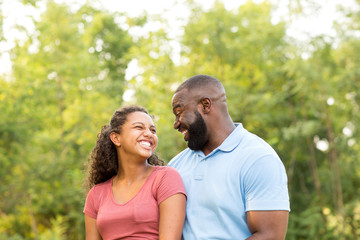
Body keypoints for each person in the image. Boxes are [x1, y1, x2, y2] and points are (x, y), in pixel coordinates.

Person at [168, 75, 290, 240]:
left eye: (179, 112)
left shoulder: (258, 158)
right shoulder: (175, 166)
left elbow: (270, 235)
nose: (175, 123)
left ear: (205, 105)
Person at [83, 105, 187, 240]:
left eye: (153, 130)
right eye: (139, 127)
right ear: (116, 138)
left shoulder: (165, 178)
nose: (149, 134)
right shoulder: (96, 194)